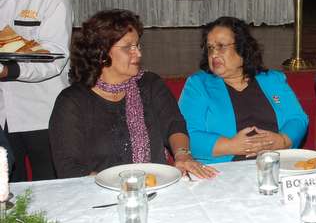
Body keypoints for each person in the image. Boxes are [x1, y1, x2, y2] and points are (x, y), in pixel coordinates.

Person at [49, 9, 217, 179]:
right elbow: (69, 167)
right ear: (101, 53)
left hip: (157, 184)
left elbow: (174, 125)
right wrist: (123, 186)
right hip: (99, 192)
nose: (138, 53)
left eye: (137, 45)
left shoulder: (150, 84)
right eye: (128, 47)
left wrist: (182, 155)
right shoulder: (72, 102)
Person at [179, 16, 309, 164]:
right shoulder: (198, 85)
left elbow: (297, 118)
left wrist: (282, 140)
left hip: (277, 164)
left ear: (242, 49)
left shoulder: (272, 80)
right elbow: (185, 135)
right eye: (210, 48)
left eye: (221, 46)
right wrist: (231, 146)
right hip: (225, 170)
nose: (214, 54)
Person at [0, 0, 73, 181]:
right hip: (2, 114)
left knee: (50, 185)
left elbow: (54, 59)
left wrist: (8, 71)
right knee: (8, 185)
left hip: (42, 112)